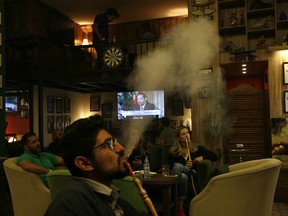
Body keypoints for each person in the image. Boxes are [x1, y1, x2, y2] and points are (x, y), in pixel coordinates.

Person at [45, 115, 147, 216]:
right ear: (84, 163)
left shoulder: (110, 198)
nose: (121, 148)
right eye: (108, 144)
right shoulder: (71, 203)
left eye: (114, 142)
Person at [168, 126, 218, 216]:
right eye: (183, 134)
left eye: (187, 133)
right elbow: (170, 165)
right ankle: (180, 209)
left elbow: (214, 155)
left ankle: (172, 198)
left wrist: (201, 157)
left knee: (177, 166)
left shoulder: (196, 148)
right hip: (181, 175)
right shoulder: (174, 152)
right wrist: (184, 166)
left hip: (192, 173)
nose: (187, 135)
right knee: (181, 175)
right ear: (178, 138)